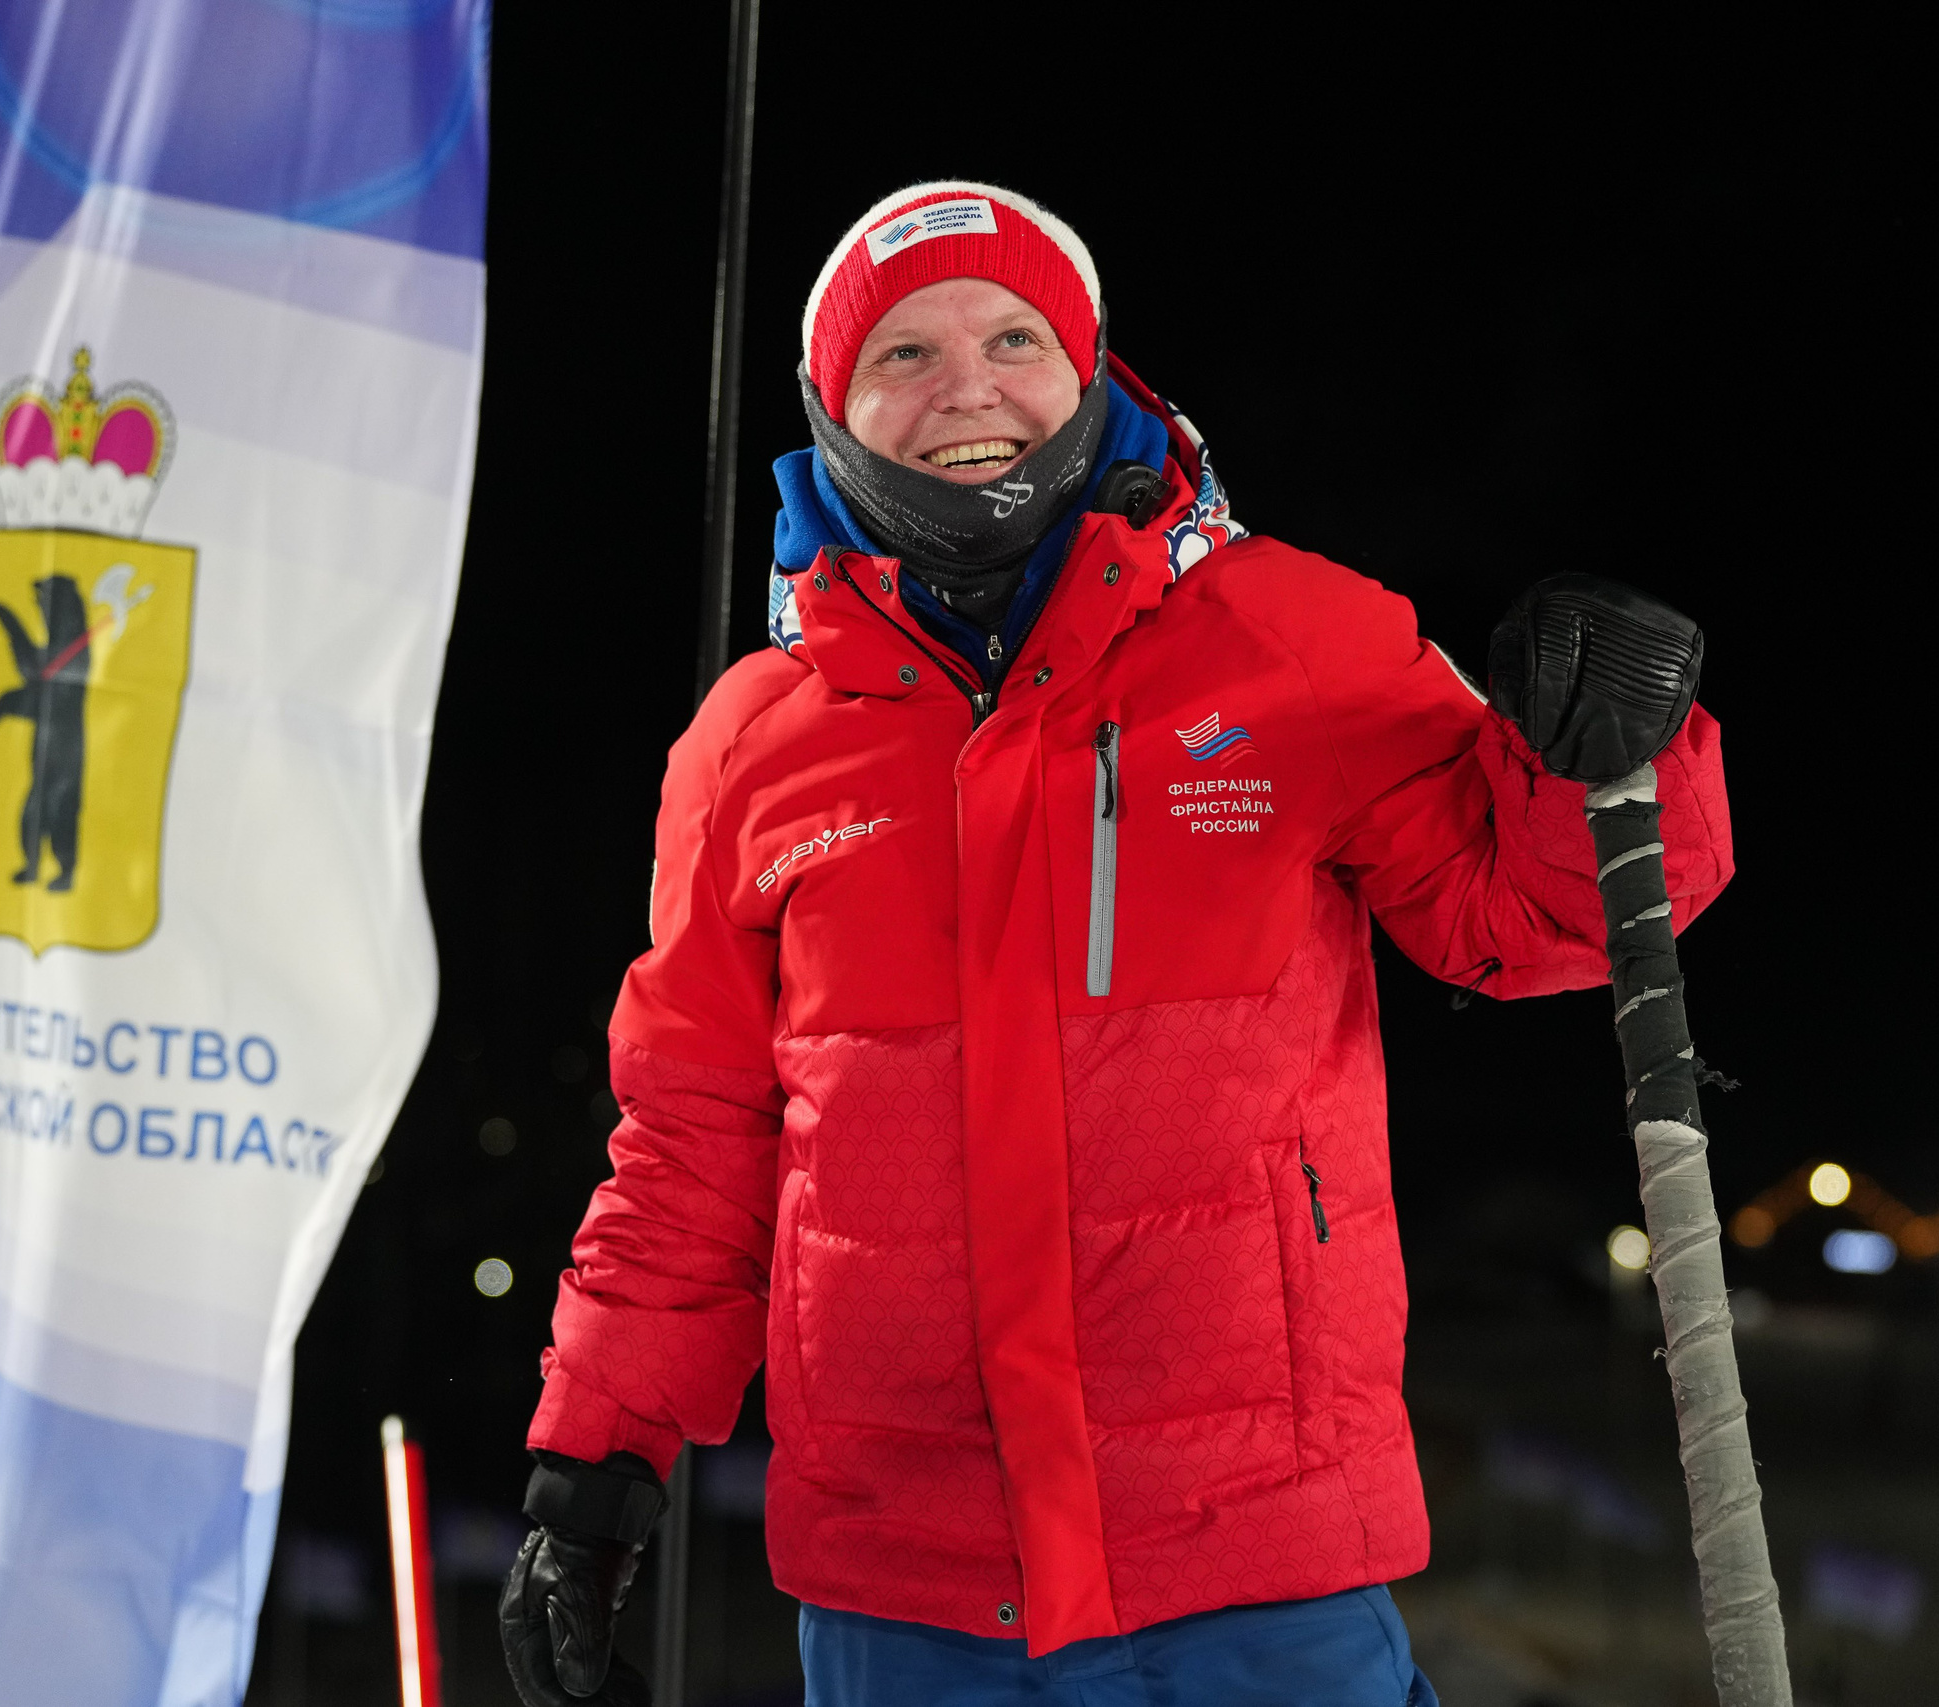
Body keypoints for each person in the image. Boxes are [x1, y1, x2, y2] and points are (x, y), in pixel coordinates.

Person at [499, 181, 1732, 1705]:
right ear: (830, 410)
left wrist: (1604, 754)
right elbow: (692, 1137)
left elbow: (1543, 921)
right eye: (904, 354)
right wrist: (595, 1455)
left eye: (1014, 336)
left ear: (1090, 373)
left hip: (1253, 1562)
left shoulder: (1290, 639)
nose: (969, 389)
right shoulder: (751, 746)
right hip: (909, 1589)